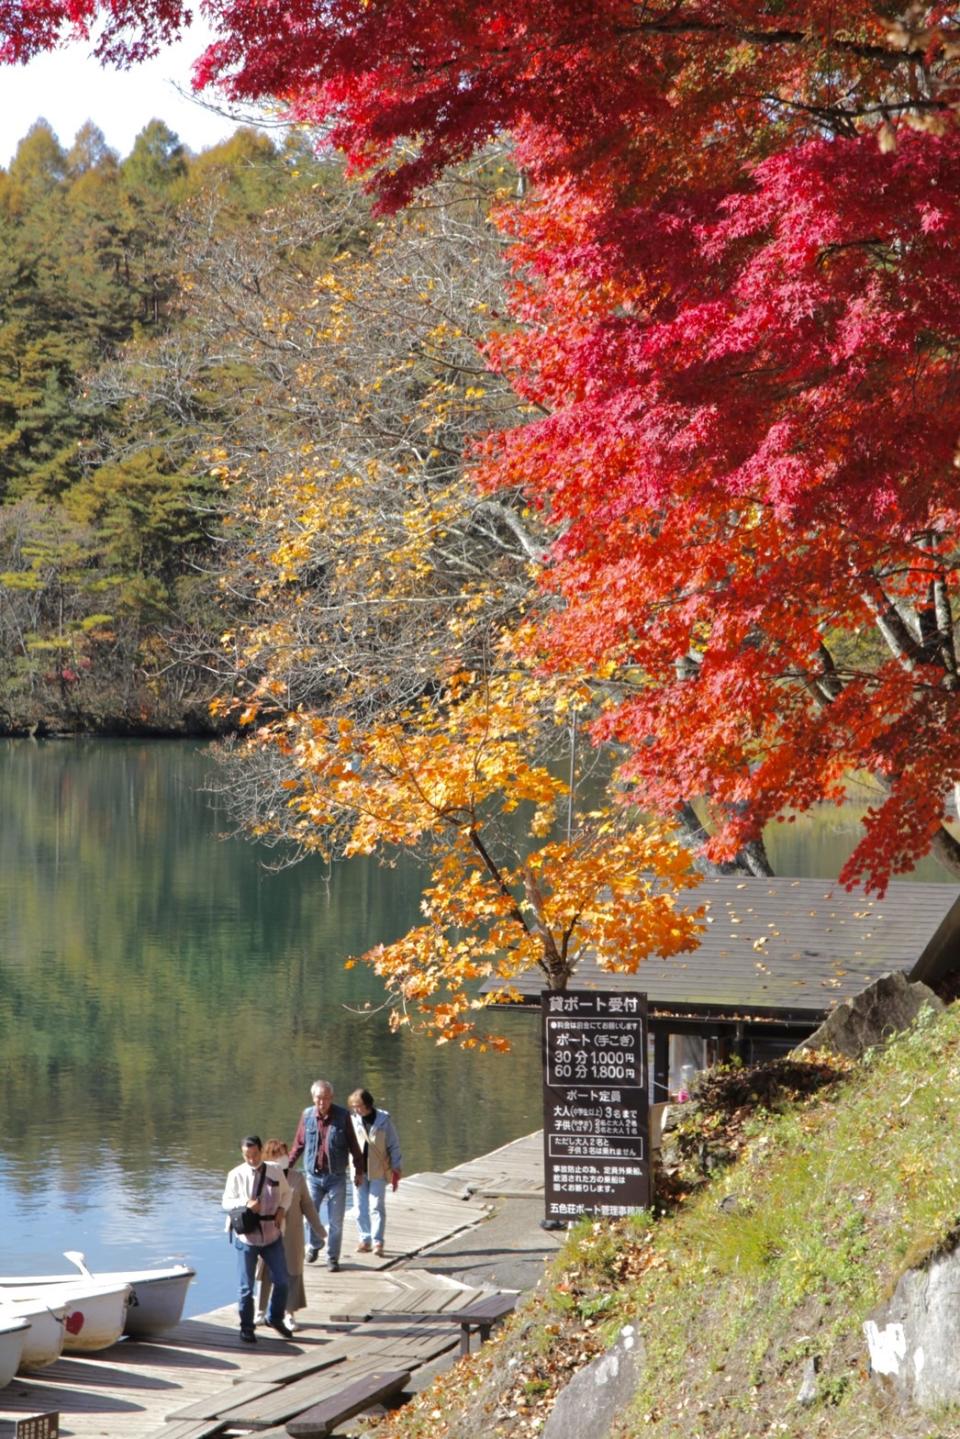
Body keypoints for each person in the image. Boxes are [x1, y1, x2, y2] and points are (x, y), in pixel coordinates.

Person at [221, 1134, 293, 1343]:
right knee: (246, 1287)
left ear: (261, 1151)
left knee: (282, 1281)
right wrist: (245, 1202)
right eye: (246, 1155)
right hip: (247, 1237)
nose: (251, 1159)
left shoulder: (275, 1170)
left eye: (254, 1154)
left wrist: (282, 1209)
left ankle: (275, 1318)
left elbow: (287, 1194)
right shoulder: (236, 1174)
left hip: (272, 1234)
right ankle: (246, 1327)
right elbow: (226, 1201)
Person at [288, 1079, 365, 1273]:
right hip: (313, 1178)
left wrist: (359, 1171)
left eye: (326, 1098)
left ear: (332, 1098)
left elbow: (354, 1146)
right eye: (318, 1098)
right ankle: (314, 1245)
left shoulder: (343, 1116)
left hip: (336, 1177)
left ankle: (332, 1258)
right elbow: (298, 1145)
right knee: (308, 1217)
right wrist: (285, 1170)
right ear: (313, 1098)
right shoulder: (307, 1116)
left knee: (336, 1222)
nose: (322, 1102)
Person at [255, 1138, 326, 1330]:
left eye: (284, 1155)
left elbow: (308, 1205)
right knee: (267, 1271)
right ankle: (261, 1311)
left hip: (293, 1233)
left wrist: (318, 1229)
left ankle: (289, 1314)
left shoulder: (297, 1177)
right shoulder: (262, 1176)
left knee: (293, 1273)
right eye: (278, 1155)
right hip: (269, 1232)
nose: (283, 1159)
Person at [348, 1088, 403, 1257]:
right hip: (358, 1172)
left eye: (359, 1106)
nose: (357, 1109)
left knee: (376, 1206)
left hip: (378, 1171)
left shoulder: (384, 1121)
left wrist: (397, 1166)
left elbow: (394, 1145)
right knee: (360, 1207)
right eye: (354, 1106)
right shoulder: (351, 1120)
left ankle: (378, 1242)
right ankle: (365, 1240)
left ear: (368, 1104)